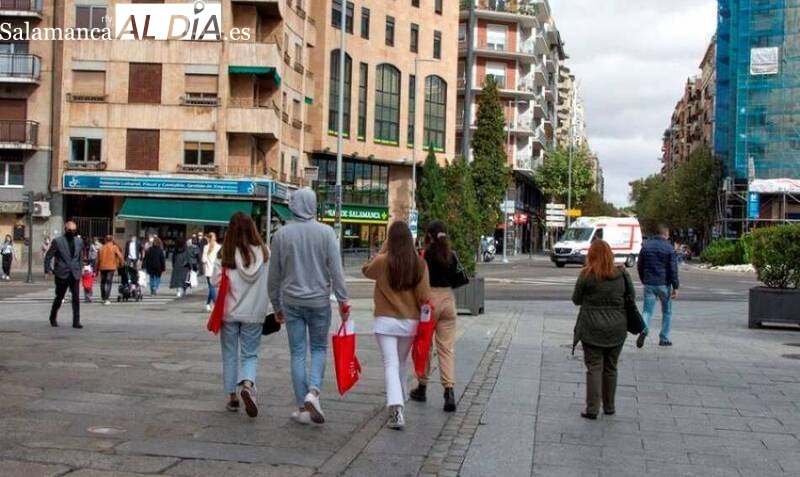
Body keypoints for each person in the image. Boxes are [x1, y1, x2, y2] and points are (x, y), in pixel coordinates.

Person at [268, 188, 349, 425]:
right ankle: (313, 392)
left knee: (297, 353)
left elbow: (273, 276)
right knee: (319, 348)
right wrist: (343, 300)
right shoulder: (326, 233)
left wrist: (276, 304)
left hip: (291, 301)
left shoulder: (281, 235)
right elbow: (336, 270)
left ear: (294, 205)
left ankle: (303, 407)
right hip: (318, 301)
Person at [362, 221, 431, 430]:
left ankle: (396, 407)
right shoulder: (419, 264)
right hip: (409, 323)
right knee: (399, 363)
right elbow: (425, 296)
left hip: (385, 322)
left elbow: (366, 270)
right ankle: (399, 400)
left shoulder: (383, 261)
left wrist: (383, 250)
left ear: (390, 240)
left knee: (391, 364)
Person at [212, 213, 271, 417]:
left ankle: (232, 397)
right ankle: (247, 384)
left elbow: (214, 281)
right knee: (250, 354)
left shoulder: (224, 254)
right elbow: (271, 281)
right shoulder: (264, 252)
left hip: (229, 311)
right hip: (254, 312)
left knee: (229, 354)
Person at [571, 239, 632, 420]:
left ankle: (592, 409)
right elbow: (631, 297)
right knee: (611, 367)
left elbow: (576, 299)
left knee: (594, 367)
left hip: (591, 327)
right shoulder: (622, 274)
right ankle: (610, 406)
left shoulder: (586, 275)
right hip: (617, 327)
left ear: (591, 255)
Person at [410, 221, 464, 412]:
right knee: (446, 348)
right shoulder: (451, 255)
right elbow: (461, 279)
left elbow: (415, 279)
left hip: (429, 302)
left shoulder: (424, 255)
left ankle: (422, 387)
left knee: (425, 344)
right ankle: (449, 391)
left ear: (429, 236)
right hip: (448, 300)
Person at [636, 224, 680, 347]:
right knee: (667, 311)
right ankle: (664, 338)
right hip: (664, 284)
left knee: (647, 311)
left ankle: (644, 330)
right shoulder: (669, 248)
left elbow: (640, 265)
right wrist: (675, 286)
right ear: (665, 234)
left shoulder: (646, 246)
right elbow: (673, 269)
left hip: (649, 283)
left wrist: (643, 279)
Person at [44, 221, 84, 328]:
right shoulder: (57, 241)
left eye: (74, 230)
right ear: (65, 229)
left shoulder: (79, 241)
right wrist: (48, 269)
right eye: (70, 230)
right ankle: (53, 317)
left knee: (76, 297)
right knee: (59, 296)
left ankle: (76, 321)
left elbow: (80, 257)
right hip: (62, 273)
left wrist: (80, 269)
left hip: (74, 273)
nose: (72, 232)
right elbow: (48, 256)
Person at [97, 235, 122, 305]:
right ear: (112, 240)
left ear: (105, 240)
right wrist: (121, 264)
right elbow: (120, 256)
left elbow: (98, 260)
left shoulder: (101, 248)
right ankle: (107, 298)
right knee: (109, 282)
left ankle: (103, 297)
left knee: (103, 282)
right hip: (111, 267)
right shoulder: (114, 247)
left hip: (102, 267)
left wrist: (96, 268)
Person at [202, 232, 221, 312]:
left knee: (211, 287)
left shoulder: (206, 247)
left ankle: (211, 304)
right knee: (212, 288)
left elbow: (203, 260)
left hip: (209, 270)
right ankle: (210, 304)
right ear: (215, 238)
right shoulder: (219, 247)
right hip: (217, 269)